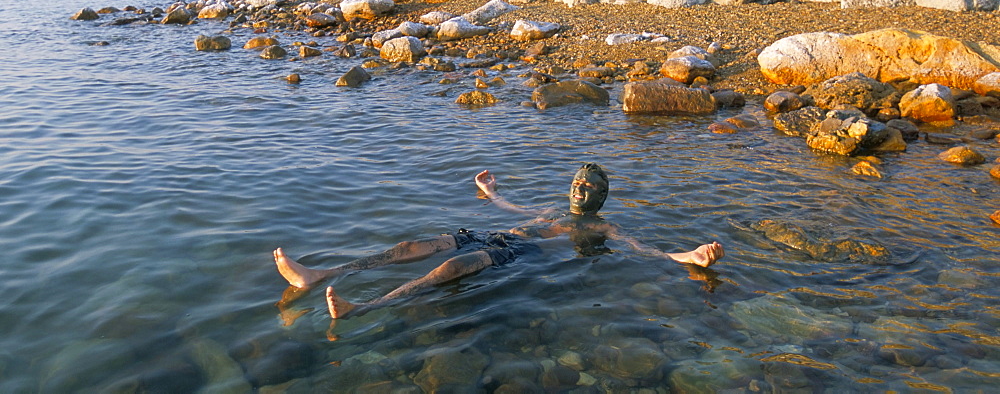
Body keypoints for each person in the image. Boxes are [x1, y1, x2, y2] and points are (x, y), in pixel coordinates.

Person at [273, 163, 724, 319]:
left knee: (448, 270)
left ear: (600, 197)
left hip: (516, 253)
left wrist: (690, 256)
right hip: (489, 234)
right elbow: (515, 212)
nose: (577, 189)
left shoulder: (604, 229)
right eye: (575, 182)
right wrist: (492, 194)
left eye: (586, 188)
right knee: (417, 245)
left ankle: (364, 308)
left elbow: (644, 252)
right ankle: (321, 274)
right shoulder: (553, 212)